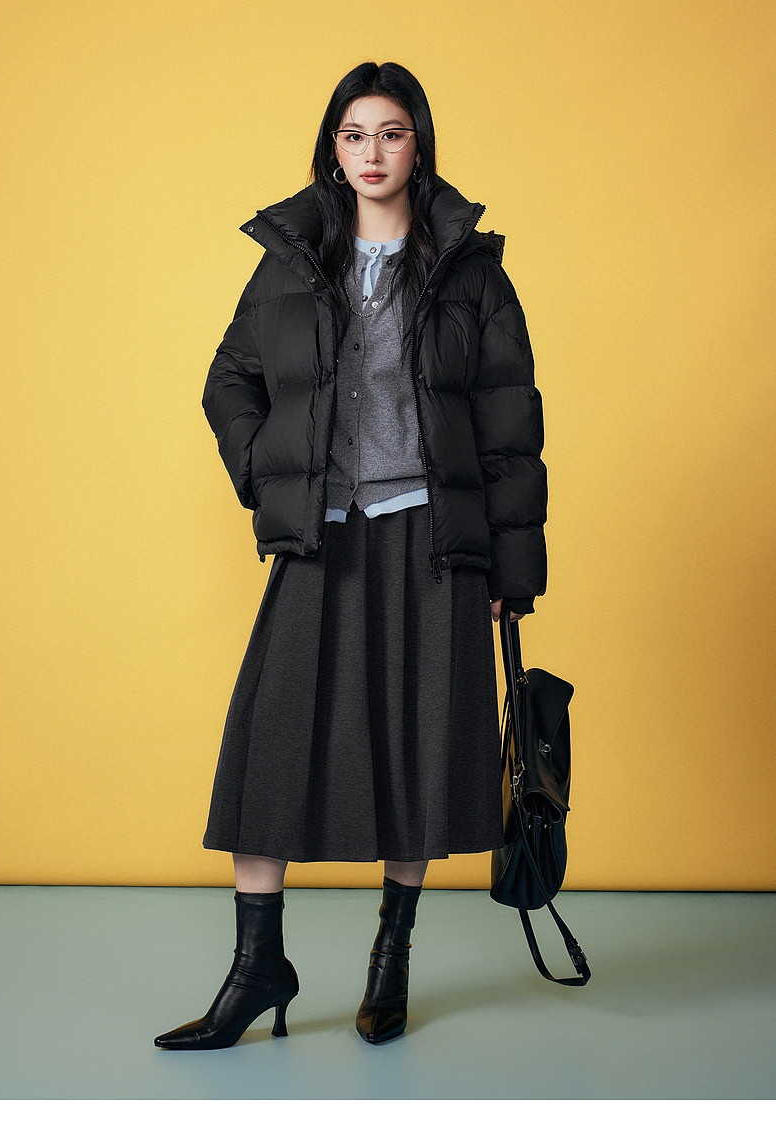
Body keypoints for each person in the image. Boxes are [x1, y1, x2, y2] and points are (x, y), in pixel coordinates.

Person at [154, 60, 547, 1051]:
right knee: (269, 743)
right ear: (333, 149)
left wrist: (511, 574)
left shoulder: (470, 271)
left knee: (418, 744)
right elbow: (230, 381)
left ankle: (391, 957)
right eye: (354, 133)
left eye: (391, 132)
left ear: (419, 145)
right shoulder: (294, 262)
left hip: (431, 537)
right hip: (322, 531)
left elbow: (509, 428)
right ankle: (258, 967)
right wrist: (272, 470)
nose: (373, 152)